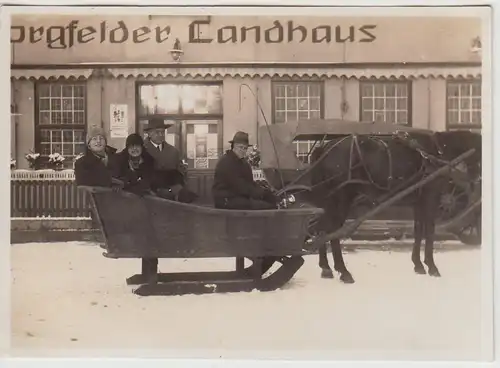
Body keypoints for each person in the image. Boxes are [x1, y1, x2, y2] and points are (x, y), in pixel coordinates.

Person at [212, 131, 279, 210]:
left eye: (245, 148)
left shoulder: (244, 163)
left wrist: (265, 192)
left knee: (269, 200)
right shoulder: (226, 162)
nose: (243, 150)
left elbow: (249, 182)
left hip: (239, 196)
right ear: (233, 146)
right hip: (226, 199)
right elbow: (239, 186)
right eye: (240, 147)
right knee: (265, 206)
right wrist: (261, 194)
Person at [143, 118, 198, 203]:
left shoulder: (173, 151)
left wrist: (176, 189)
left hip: (171, 197)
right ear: (149, 134)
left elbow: (180, 173)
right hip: (149, 197)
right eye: (157, 132)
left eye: (162, 132)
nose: (161, 135)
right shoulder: (141, 150)